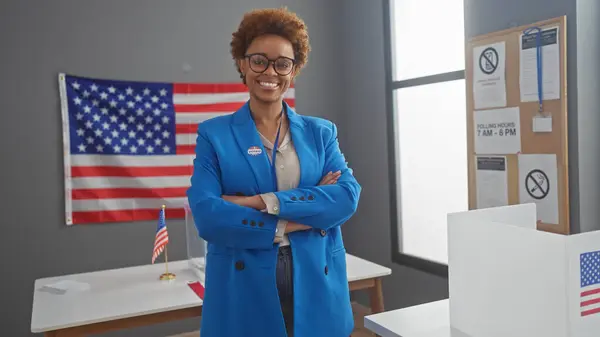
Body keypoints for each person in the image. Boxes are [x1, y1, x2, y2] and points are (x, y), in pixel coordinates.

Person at [186, 7, 361, 337]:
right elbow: (208, 215)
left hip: (316, 276)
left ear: (294, 70)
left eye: (282, 63)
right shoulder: (214, 134)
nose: (271, 71)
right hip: (243, 280)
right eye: (259, 60)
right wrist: (295, 221)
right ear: (242, 63)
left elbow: (347, 197)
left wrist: (255, 201)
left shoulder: (320, 133)